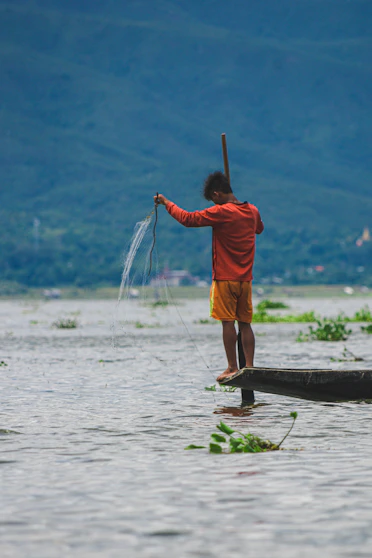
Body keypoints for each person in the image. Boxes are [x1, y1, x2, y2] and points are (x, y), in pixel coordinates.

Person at [154, 171, 264, 382]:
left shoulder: (222, 212)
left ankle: (232, 366)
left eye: (213, 199)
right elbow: (259, 229)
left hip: (225, 278)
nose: (213, 203)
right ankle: (250, 366)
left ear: (217, 194)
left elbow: (187, 219)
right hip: (245, 279)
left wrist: (166, 202)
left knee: (227, 322)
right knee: (245, 323)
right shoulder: (252, 210)